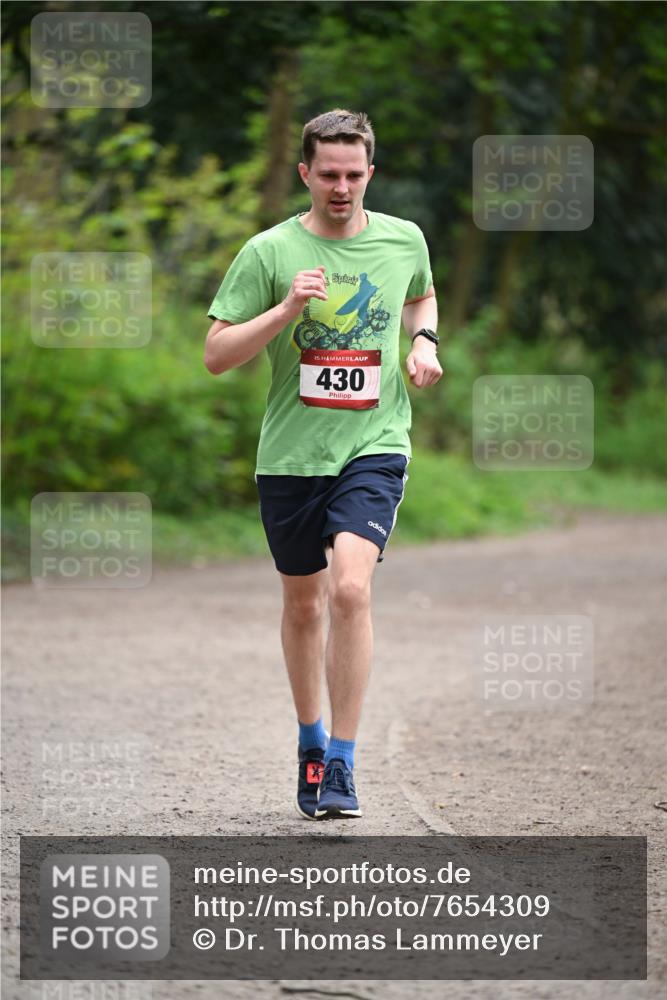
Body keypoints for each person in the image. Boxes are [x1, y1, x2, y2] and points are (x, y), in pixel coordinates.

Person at [205, 109, 442, 820]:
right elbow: (217, 355)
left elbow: (420, 292)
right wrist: (285, 310)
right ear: (305, 173)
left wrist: (424, 340)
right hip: (289, 455)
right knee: (303, 603)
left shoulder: (403, 239)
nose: (341, 187)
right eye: (328, 174)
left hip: (374, 445)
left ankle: (341, 760)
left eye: (353, 173)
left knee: (349, 591)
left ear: (370, 172)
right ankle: (309, 742)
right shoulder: (268, 251)